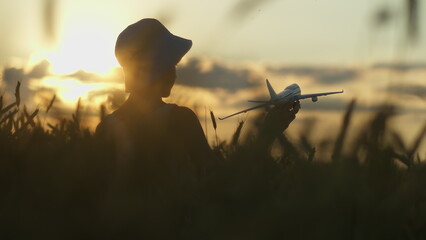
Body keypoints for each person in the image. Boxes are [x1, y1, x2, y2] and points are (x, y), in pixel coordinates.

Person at [95, 18, 300, 238]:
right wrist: (267, 134)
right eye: (170, 65)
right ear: (157, 67)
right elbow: (224, 184)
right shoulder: (178, 120)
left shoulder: (105, 127)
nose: (175, 73)